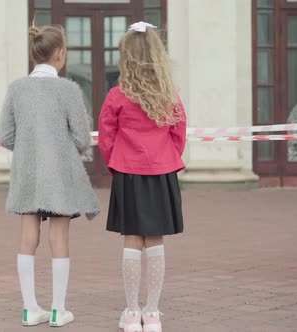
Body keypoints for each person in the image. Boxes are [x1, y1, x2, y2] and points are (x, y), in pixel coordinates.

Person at [0, 24, 100, 327]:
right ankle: (58, 309)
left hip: (27, 173)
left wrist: (29, 147)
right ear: (60, 53)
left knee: (28, 238)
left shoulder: (16, 88)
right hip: (60, 174)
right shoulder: (68, 89)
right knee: (59, 238)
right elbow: (82, 138)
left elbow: (5, 135)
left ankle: (30, 309)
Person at [98, 21, 187, 332]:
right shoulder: (169, 93)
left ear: (127, 57)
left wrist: (115, 162)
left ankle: (132, 313)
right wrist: (167, 157)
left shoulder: (117, 95)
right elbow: (178, 133)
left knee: (132, 239)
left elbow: (106, 136)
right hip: (161, 170)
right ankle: (152, 313)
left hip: (128, 171)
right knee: (156, 239)